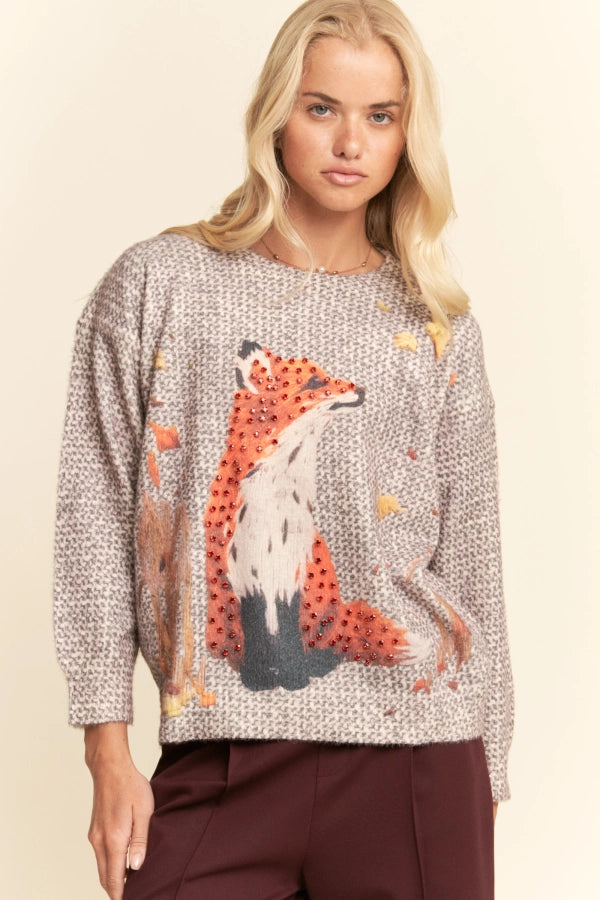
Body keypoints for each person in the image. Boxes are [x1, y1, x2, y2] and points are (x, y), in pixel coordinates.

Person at [53, 1, 514, 898]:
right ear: (275, 114)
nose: (350, 142)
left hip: (416, 757)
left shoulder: (436, 326)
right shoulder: (161, 286)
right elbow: (94, 517)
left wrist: (488, 775)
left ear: (407, 137)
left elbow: (473, 564)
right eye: (322, 107)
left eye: (381, 116)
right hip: (223, 746)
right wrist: (107, 748)